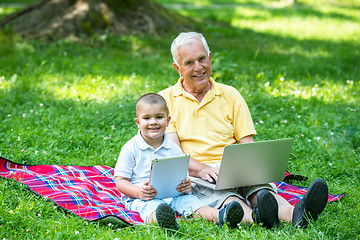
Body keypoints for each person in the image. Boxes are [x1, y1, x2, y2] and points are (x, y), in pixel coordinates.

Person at [158, 32, 329, 228]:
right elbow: (174, 154)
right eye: (189, 63)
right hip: (199, 174)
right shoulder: (164, 101)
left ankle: (296, 214)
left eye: (202, 59)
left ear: (210, 57)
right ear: (177, 68)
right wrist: (204, 170)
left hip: (234, 166)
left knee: (262, 191)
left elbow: (247, 144)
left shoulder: (230, 94)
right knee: (229, 199)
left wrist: (252, 168)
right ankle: (257, 218)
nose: (198, 67)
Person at [113, 93, 244, 229]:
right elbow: (120, 181)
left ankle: (222, 216)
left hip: (172, 194)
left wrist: (185, 185)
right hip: (141, 197)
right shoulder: (130, 148)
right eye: (147, 118)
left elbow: (181, 174)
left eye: (159, 117)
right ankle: (163, 222)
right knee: (152, 208)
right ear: (138, 122)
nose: (153, 122)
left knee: (192, 203)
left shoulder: (173, 148)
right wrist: (139, 192)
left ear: (168, 120)